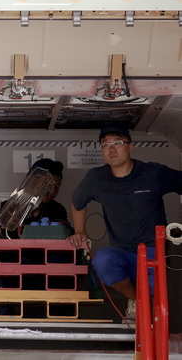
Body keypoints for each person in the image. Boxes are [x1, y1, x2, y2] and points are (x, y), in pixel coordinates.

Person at [70, 124, 182, 317]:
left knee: (160, 296)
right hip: (121, 252)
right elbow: (77, 203)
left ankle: (149, 311)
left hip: (154, 250)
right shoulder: (96, 178)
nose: (111, 149)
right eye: (105, 144)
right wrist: (80, 231)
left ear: (131, 146)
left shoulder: (153, 173)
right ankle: (137, 301)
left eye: (118, 143)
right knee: (103, 261)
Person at [0, 158, 72, 239]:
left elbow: (66, 239)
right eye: (47, 184)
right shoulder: (4, 208)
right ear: (32, 180)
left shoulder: (58, 210)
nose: (52, 191)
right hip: (10, 256)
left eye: (57, 186)